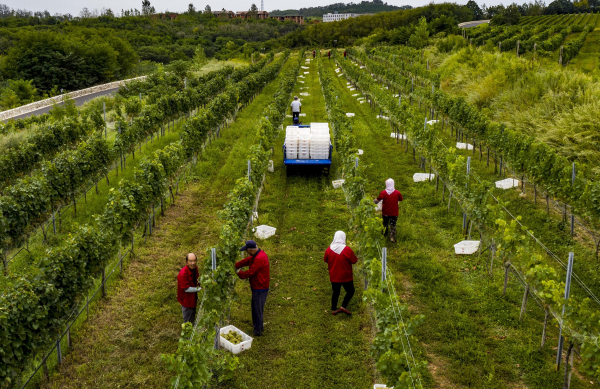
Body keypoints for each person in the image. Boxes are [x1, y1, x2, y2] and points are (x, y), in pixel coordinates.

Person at [235, 240, 270, 336]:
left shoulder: (259, 259)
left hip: (260, 288)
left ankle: (257, 331)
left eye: (247, 250)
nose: (246, 252)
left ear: (252, 250)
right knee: (257, 308)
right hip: (260, 286)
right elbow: (248, 260)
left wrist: (239, 273)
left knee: (257, 310)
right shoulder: (259, 254)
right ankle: (259, 327)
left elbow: (250, 272)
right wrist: (237, 265)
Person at [324, 231, 358, 316]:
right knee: (350, 291)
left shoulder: (329, 249)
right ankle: (343, 306)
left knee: (336, 292)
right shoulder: (346, 249)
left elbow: (325, 259)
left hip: (334, 275)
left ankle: (334, 309)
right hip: (346, 276)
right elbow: (354, 261)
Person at [374, 178, 403, 243]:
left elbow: (378, 200)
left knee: (385, 224)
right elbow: (401, 199)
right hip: (394, 213)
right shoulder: (397, 193)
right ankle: (392, 237)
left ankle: (384, 234)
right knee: (393, 224)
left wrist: (372, 202)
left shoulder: (383, 193)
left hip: (385, 212)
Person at [177, 253, 201, 324]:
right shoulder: (183, 274)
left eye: (194, 261)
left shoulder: (195, 269)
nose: (192, 263)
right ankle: (187, 332)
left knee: (192, 315)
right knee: (188, 320)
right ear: (186, 262)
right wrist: (199, 289)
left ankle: (191, 327)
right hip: (187, 300)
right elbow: (186, 289)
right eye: (190, 261)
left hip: (193, 298)